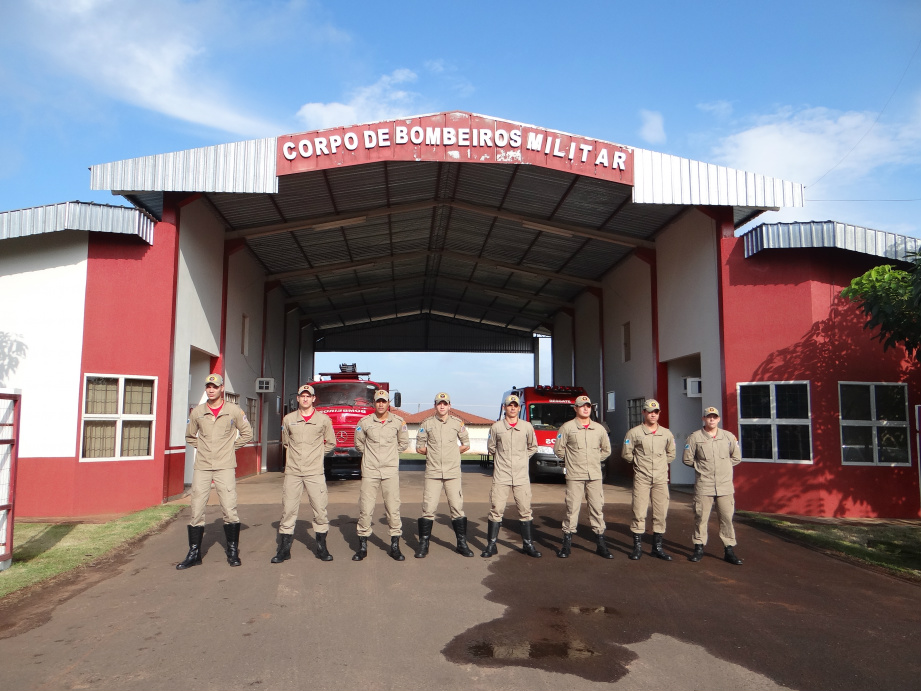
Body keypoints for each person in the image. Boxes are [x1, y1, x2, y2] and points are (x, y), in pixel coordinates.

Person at [178, 373, 253, 569]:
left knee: (229, 508)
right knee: (196, 509)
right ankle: (194, 553)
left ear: (222, 389)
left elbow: (247, 433)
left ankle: (232, 551)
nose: (211, 389)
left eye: (214, 386)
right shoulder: (197, 412)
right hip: (202, 465)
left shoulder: (233, 411)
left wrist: (231, 448)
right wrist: (203, 449)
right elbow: (190, 436)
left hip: (225, 466)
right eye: (208, 386)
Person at [270, 384, 336, 563]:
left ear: (314, 399)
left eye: (309, 396)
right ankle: (284, 549)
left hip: (314, 472)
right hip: (293, 472)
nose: (305, 399)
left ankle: (321, 547)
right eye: (302, 396)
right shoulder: (288, 419)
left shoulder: (323, 420)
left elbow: (331, 443)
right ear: (297, 398)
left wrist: (317, 455)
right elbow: (286, 442)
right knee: (288, 510)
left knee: (320, 510)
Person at [352, 390, 410, 561]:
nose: (381, 404)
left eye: (384, 401)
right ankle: (362, 547)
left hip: (390, 471)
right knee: (366, 509)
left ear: (388, 403)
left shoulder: (398, 422)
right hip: (370, 471)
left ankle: (395, 547)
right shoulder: (365, 422)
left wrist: (390, 455)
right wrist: (370, 456)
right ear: (374, 403)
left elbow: (403, 443)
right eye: (378, 401)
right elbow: (358, 443)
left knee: (393, 509)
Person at [553, 395, 613, 559]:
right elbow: (558, 449)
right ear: (576, 408)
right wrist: (571, 461)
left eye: (588, 406)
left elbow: (606, 450)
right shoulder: (567, 428)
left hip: (594, 475)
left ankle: (601, 545)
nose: (585, 408)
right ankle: (566, 545)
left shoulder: (599, 429)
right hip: (575, 475)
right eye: (582, 406)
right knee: (572, 509)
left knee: (597, 509)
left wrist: (594, 460)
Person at [414, 392, 473, 558]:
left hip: (452, 472)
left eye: (445, 403)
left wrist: (452, 452)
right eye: (439, 403)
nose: (442, 406)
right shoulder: (427, 424)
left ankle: (462, 544)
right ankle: (423, 545)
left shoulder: (457, 423)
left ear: (449, 406)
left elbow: (466, 444)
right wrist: (434, 454)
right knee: (428, 508)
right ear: (435, 405)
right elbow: (420, 447)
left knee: (457, 508)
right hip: (433, 472)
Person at [683, 406, 744, 565]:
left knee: (726, 518)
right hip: (705, 484)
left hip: (725, 485)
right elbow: (687, 459)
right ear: (703, 418)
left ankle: (729, 550)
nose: (711, 419)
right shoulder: (695, 437)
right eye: (708, 416)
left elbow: (736, 457)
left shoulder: (729, 437)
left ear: (718, 419)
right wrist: (702, 468)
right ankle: (698, 547)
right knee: (701, 517)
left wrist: (723, 467)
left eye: (714, 416)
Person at [483, 394, 541, 558]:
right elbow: (491, 447)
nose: (513, 408)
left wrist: (521, 459)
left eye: (515, 405)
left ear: (519, 408)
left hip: (521, 476)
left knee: (525, 510)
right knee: (496, 509)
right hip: (502, 475)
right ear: (504, 408)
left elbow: (533, 447)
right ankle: (491, 545)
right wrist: (503, 461)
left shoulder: (527, 427)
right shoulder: (496, 427)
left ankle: (528, 545)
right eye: (510, 405)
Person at [622, 399, 677, 561]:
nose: (653, 414)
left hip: (660, 479)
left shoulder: (666, 433)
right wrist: (640, 464)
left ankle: (657, 547)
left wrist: (659, 466)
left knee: (660, 513)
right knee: (639, 512)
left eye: (656, 412)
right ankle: (637, 547)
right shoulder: (634, 433)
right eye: (649, 411)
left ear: (659, 413)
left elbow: (671, 454)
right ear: (643, 413)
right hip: (642, 478)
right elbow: (626, 454)